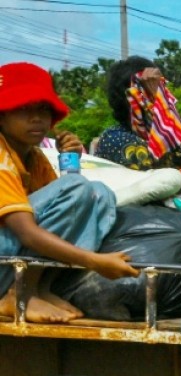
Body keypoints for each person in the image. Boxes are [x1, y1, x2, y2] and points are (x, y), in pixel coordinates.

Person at [0, 62, 139, 323]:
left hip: (8, 257)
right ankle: (18, 292)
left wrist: (71, 163)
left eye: (43, 109)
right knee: (78, 188)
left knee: (100, 193)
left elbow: (68, 213)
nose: (37, 118)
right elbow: (27, 233)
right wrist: (94, 261)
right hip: (7, 257)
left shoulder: (36, 158)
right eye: (23, 109)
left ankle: (40, 288)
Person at [97, 56, 181, 172]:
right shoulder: (115, 138)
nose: (164, 97)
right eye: (157, 90)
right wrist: (157, 103)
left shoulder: (162, 136)